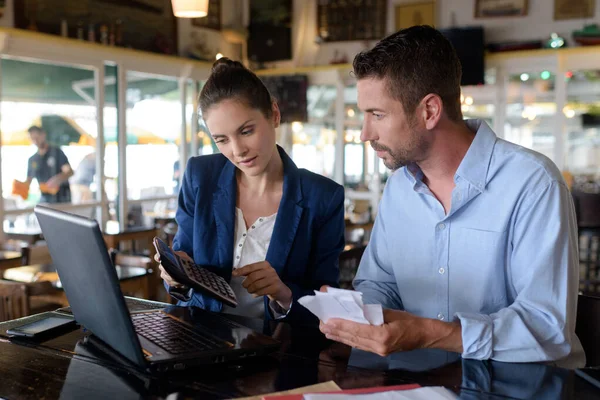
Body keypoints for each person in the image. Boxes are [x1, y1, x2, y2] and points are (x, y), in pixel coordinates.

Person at [319, 26, 585, 367]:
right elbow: (379, 282)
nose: (364, 134)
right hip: (417, 381)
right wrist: (357, 318)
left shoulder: (533, 183)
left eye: (378, 115)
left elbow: (547, 329)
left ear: (430, 111)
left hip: (516, 386)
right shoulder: (399, 187)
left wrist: (431, 333)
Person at [157, 58, 345, 324]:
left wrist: (284, 294)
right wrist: (175, 276)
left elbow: (328, 300)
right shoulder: (200, 176)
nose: (237, 150)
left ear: (274, 114)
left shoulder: (323, 197)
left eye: (246, 131)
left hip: (280, 349)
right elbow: (180, 276)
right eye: (221, 140)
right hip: (203, 340)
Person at [26, 125, 73, 203]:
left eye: (37, 137)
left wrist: (58, 179)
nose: (35, 141)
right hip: (45, 199)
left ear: (43, 135)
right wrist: (20, 187)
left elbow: (69, 171)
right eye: (32, 139)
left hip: (62, 198)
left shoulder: (56, 152)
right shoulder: (32, 159)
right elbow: (28, 180)